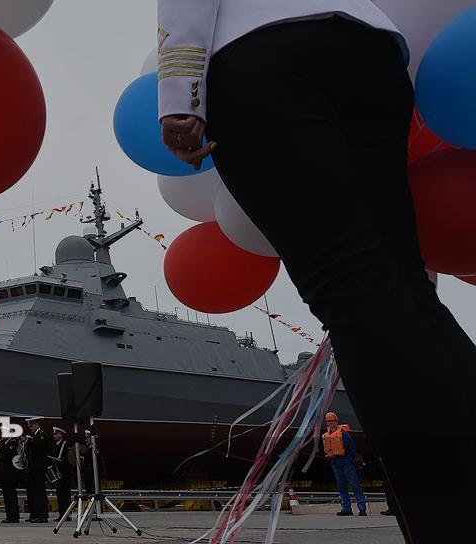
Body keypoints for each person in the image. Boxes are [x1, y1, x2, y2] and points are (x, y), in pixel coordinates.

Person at [157, 1, 476, 538]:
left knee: (352, 290)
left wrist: (179, 97)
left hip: (264, 56)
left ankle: (449, 523)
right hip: (371, 52)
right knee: (406, 286)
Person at [322, 412, 366, 516]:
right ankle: (346, 508)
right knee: (341, 486)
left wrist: (352, 459)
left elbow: (352, 447)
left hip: (346, 461)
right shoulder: (326, 435)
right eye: (329, 421)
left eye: (332, 421)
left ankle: (362, 508)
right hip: (335, 462)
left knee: (354, 484)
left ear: (336, 421)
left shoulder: (343, 433)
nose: (331, 423)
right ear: (327, 422)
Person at [25, 417, 49, 523]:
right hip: (34, 468)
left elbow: (39, 449)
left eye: (32, 426)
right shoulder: (35, 436)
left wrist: (30, 441)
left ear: (36, 424)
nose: (30, 428)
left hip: (39, 468)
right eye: (29, 426)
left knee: (40, 492)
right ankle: (36, 514)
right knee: (35, 492)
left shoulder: (41, 435)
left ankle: (42, 515)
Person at [0, 437, 21, 523]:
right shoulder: (5, 444)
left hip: (10, 474)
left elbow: (7, 456)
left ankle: (13, 516)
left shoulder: (12, 443)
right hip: (5, 474)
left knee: (11, 496)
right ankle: (9, 515)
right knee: (7, 496)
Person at [51, 427, 72, 521]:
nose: (54, 436)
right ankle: (61, 513)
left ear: (60, 434)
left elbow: (68, 458)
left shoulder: (65, 444)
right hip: (58, 473)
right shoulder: (56, 445)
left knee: (65, 494)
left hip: (64, 473)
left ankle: (66, 514)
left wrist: (59, 460)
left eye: (56, 434)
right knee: (59, 494)